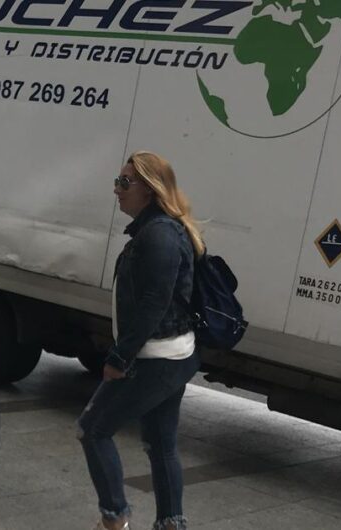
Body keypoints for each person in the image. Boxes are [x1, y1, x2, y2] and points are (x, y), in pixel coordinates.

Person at [78, 151, 205, 530]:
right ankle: (172, 524)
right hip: (172, 355)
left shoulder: (161, 234)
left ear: (149, 190)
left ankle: (114, 518)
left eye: (124, 182)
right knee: (160, 444)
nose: (116, 190)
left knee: (93, 429)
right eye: (117, 181)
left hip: (154, 357)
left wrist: (120, 356)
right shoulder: (160, 229)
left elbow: (154, 303)